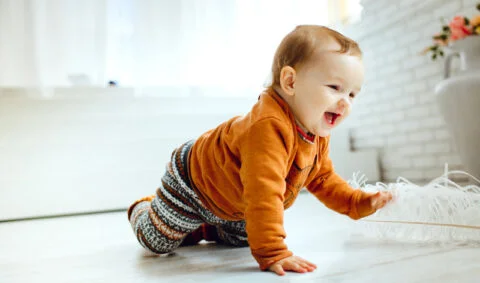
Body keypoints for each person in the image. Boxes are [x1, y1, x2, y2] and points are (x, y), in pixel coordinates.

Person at [127, 25, 393, 276]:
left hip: (233, 202)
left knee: (240, 239)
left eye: (352, 94)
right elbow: (263, 193)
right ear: (290, 82)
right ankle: (144, 208)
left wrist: (357, 202)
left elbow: (322, 179)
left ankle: (204, 226)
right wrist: (273, 252)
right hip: (194, 182)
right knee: (158, 241)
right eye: (335, 88)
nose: (344, 102)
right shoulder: (268, 127)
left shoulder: (315, 132)